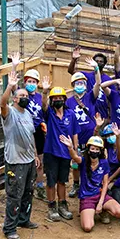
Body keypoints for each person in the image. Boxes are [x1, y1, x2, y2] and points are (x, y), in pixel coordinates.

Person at [0, 71, 40, 239]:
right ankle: (9, 228)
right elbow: (2, 103)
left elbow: (31, 136)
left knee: (28, 192)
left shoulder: (28, 114)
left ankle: (24, 220)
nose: (25, 97)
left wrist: (36, 155)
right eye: (21, 95)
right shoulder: (10, 114)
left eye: (26, 95)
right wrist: (10, 86)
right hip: (16, 162)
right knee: (14, 195)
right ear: (15, 99)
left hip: (30, 160)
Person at [60, 135, 120, 232]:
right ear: (88, 149)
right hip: (87, 197)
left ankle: (102, 211)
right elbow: (75, 157)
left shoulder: (104, 163)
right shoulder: (83, 161)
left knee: (119, 212)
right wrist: (70, 147)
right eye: (92, 148)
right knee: (87, 227)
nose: (94, 151)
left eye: (97, 149)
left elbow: (105, 183)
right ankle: (89, 211)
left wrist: (100, 203)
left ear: (100, 151)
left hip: (99, 194)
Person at [41, 79, 79, 222]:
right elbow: (43, 106)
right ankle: (51, 206)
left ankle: (62, 205)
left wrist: (75, 148)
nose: (58, 100)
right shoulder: (49, 113)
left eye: (60, 98)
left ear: (64, 99)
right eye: (55, 98)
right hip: (51, 152)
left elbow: (75, 132)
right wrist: (45, 91)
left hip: (66, 153)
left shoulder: (71, 115)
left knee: (62, 181)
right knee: (51, 181)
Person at [66, 63, 101, 198]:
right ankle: (76, 184)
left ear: (86, 85)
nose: (80, 85)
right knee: (75, 162)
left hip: (90, 136)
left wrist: (96, 69)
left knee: (90, 161)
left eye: (82, 83)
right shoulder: (68, 101)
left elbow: (98, 84)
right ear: (73, 85)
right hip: (76, 136)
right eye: (77, 83)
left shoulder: (90, 97)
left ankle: (89, 184)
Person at [68, 47, 111, 119]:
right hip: (88, 111)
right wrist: (74, 59)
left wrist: (110, 116)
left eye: (101, 61)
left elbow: (111, 97)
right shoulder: (86, 76)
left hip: (103, 113)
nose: (98, 63)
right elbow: (71, 71)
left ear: (104, 64)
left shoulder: (108, 79)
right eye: (97, 61)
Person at [22, 68, 46, 199]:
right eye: (28, 81)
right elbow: (14, 88)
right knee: (27, 161)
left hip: (38, 131)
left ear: (37, 83)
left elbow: (45, 108)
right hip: (25, 131)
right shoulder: (23, 96)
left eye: (33, 81)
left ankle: (40, 186)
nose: (31, 83)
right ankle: (27, 187)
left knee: (40, 162)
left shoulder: (40, 97)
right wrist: (14, 66)